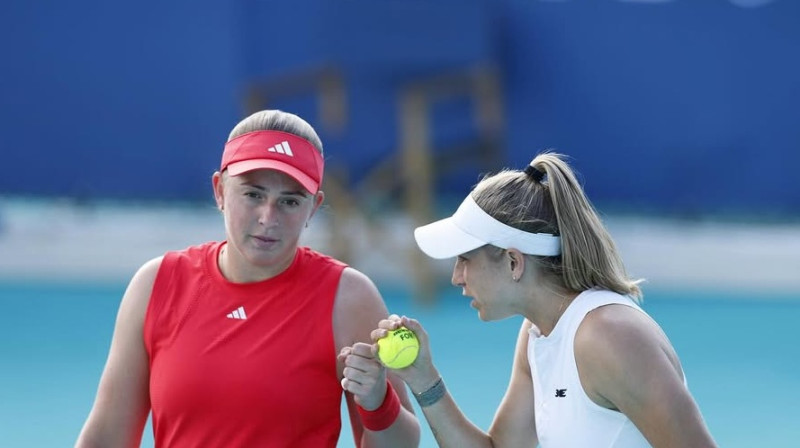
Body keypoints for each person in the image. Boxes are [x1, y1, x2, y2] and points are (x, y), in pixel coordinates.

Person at [75, 110, 421, 448]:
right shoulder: (155, 285)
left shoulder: (349, 298)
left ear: (313, 208)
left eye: (289, 201)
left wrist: (378, 403)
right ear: (220, 190)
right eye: (253, 194)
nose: (267, 218)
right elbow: (106, 437)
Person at [369, 152, 718, 447]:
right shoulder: (537, 334)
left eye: (465, 259)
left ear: (513, 261)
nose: (456, 277)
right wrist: (423, 379)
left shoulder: (610, 336)